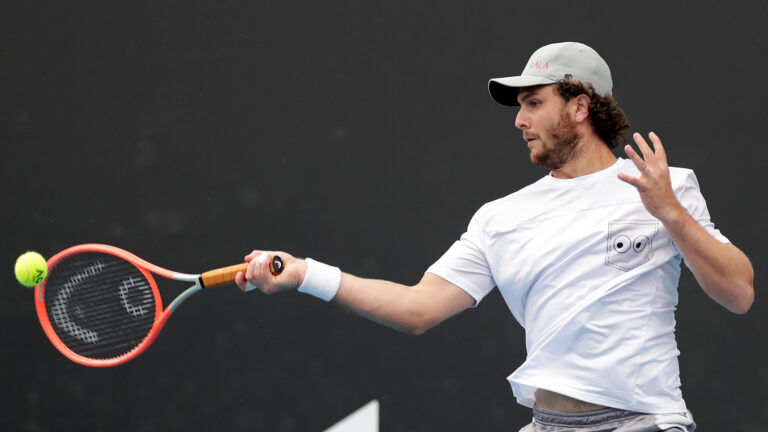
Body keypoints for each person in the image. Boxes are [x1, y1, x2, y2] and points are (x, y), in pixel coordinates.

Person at [234, 42, 754, 432]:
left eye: (533, 103)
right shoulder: (500, 218)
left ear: (580, 107)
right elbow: (418, 308)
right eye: (519, 107)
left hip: (645, 423)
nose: (519, 120)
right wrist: (306, 273)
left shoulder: (665, 186)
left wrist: (669, 213)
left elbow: (738, 293)